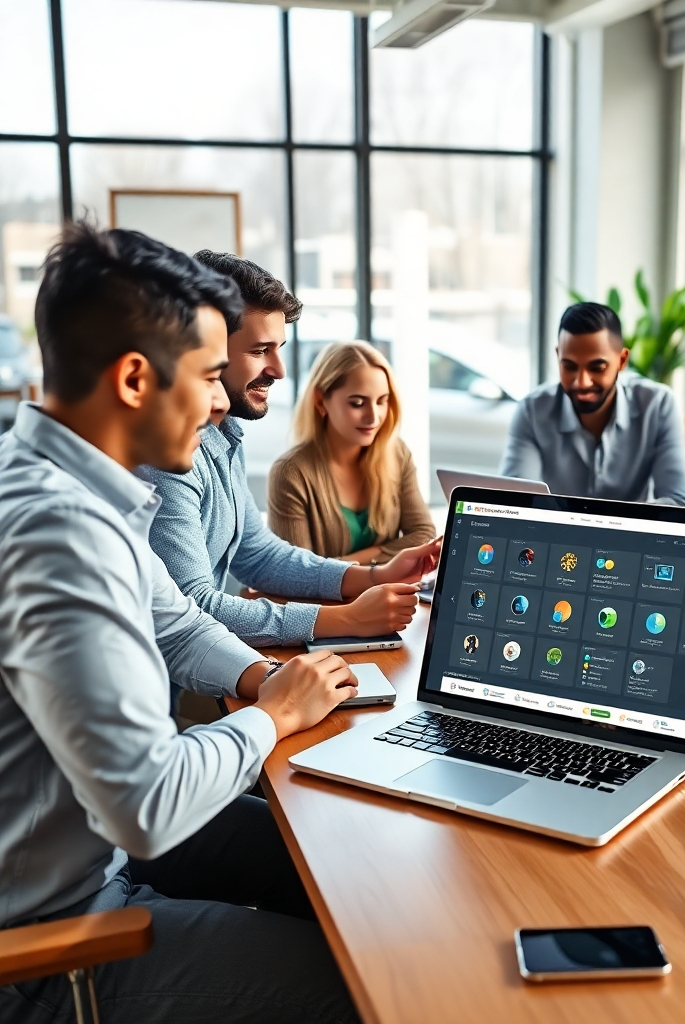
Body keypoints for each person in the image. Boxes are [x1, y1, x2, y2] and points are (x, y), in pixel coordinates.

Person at [0, 223, 360, 1023]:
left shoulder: (69, 484)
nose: (224, 398)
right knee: (366, 986)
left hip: (93, 850)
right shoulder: (60, 536)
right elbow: (148, 803)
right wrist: (272, 718)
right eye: (207, 375)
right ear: (135, 378)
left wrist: (270, 678)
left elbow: (176, 621)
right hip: (51, 943)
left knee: (347, 877)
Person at [142, 252, 439, 649]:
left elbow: (257, 554)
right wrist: (346, 617)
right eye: (260, 350)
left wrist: (374, 576)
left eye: (278, 347)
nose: (280, 369)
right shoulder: (167, 456)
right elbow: (193, 607)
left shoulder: (225, 432)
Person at [499, 302, 685, 504]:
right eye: (569, 366)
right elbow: (515, 501)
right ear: (558, 357)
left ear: (622, 360)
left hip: (627, 536)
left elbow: (676, 502)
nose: (581, 382)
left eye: (597, 367)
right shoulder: (532, 411)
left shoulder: (658, 405)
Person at [268, 341, 434, 563]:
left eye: (382, 402)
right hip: (327, 600)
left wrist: (343, 564)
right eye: (357, 403)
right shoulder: (291, 473)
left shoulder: (397, 454)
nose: (374, 418)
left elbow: (423, 536)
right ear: (320, 401)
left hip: (387, 596)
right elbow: (299, 572)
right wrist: (385, 562)